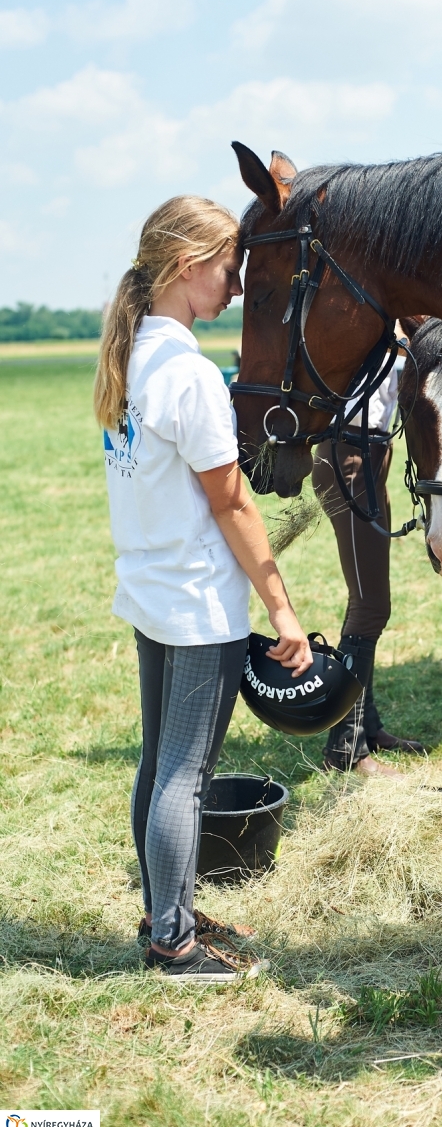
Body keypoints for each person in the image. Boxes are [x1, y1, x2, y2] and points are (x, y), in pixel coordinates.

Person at [95, 196, 312, 982]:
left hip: (153, 588)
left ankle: (168, 905)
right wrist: (282, 606)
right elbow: (232, 501)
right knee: (186, 773)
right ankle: (173, 942)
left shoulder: (135, 355)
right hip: (194, 602)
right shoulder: (186, 372)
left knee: (160, 762)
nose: (237, 284)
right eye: (229, 267)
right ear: (189, 268)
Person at [311, 326, 425, 776]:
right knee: (370, 605)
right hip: (350, 457)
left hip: (372, 456)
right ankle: (346, 749)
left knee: (368, 601)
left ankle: (367, 726)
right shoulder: (365, 323)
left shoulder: (391, 326)